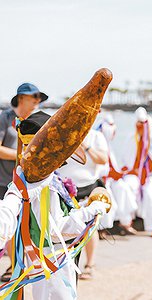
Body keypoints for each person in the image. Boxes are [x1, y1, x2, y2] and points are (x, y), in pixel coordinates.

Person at [2, 111, 109, 299]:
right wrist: (92, 210)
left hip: (48, 256)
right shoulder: (43, 185)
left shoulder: (35, 180)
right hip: (52, 257)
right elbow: (55, 229)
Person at [0, 83, 48, 282]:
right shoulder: (5, 118)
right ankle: (14, 266)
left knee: (29, 225)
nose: (37, 100)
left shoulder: (36, 120)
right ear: (21, 97)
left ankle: (22, 265)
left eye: (39, 97)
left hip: (30, 182)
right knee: (8, 223)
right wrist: (23, 157)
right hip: (5, 181)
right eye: (33, 96)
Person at [57, 128, 109, 280]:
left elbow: (103, 159)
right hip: (64, 188)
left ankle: (90, 264)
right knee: (64, 228)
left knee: (90, 228)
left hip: (88, 186)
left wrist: (85, 145)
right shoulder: (63, 132)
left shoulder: (96, 136)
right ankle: (65, 264)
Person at [123, 107, 152, 238]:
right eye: (138, 123)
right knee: (126, 188)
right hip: (135, 174)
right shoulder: (132, 138)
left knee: (150, 192)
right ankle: (126, 222)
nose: (140, 126)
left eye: (143, 123)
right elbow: (127, 159)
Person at [96, 114, 138, 234]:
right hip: (101, 181)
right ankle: (101, 229)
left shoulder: (108, 145)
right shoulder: (99, 144)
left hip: (111, 180)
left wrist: (120, 173)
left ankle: (125, 223)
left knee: (124, 189)